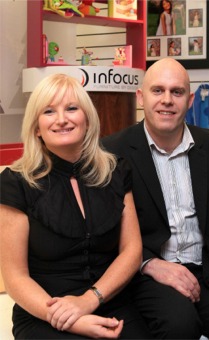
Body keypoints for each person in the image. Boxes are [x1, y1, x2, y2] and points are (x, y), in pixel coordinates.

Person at [102, 58, 209, 339]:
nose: (167, 100)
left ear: (190, 100)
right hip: (152, 275)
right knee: (179, 326)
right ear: (141, 97)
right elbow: (104, 231)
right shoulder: (112, 151)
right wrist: (148, 264)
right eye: (157, 91)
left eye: (176, 92)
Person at [0, 74, 152, 339]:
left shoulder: (116, 171)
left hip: (110, 301)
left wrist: (90, 300)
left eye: (71, 108)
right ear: (36, 127)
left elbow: (131, 250)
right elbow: (15, 278)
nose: (61, 119)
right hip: (44, 312)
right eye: (49, 111)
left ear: (87, 118)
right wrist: (69, 320)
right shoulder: (15, 183)